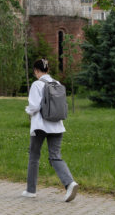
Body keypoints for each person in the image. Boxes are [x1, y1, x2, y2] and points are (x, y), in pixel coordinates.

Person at [22, 58, 78, 202]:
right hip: (57, 125)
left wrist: (27, 110)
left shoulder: (36, 84)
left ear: (36, 71)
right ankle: (70, 183)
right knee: (55, 156)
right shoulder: (57, 83)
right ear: (48, 70)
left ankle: (31, 190)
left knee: (34, 155)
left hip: (41, 125)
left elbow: (34, 106)